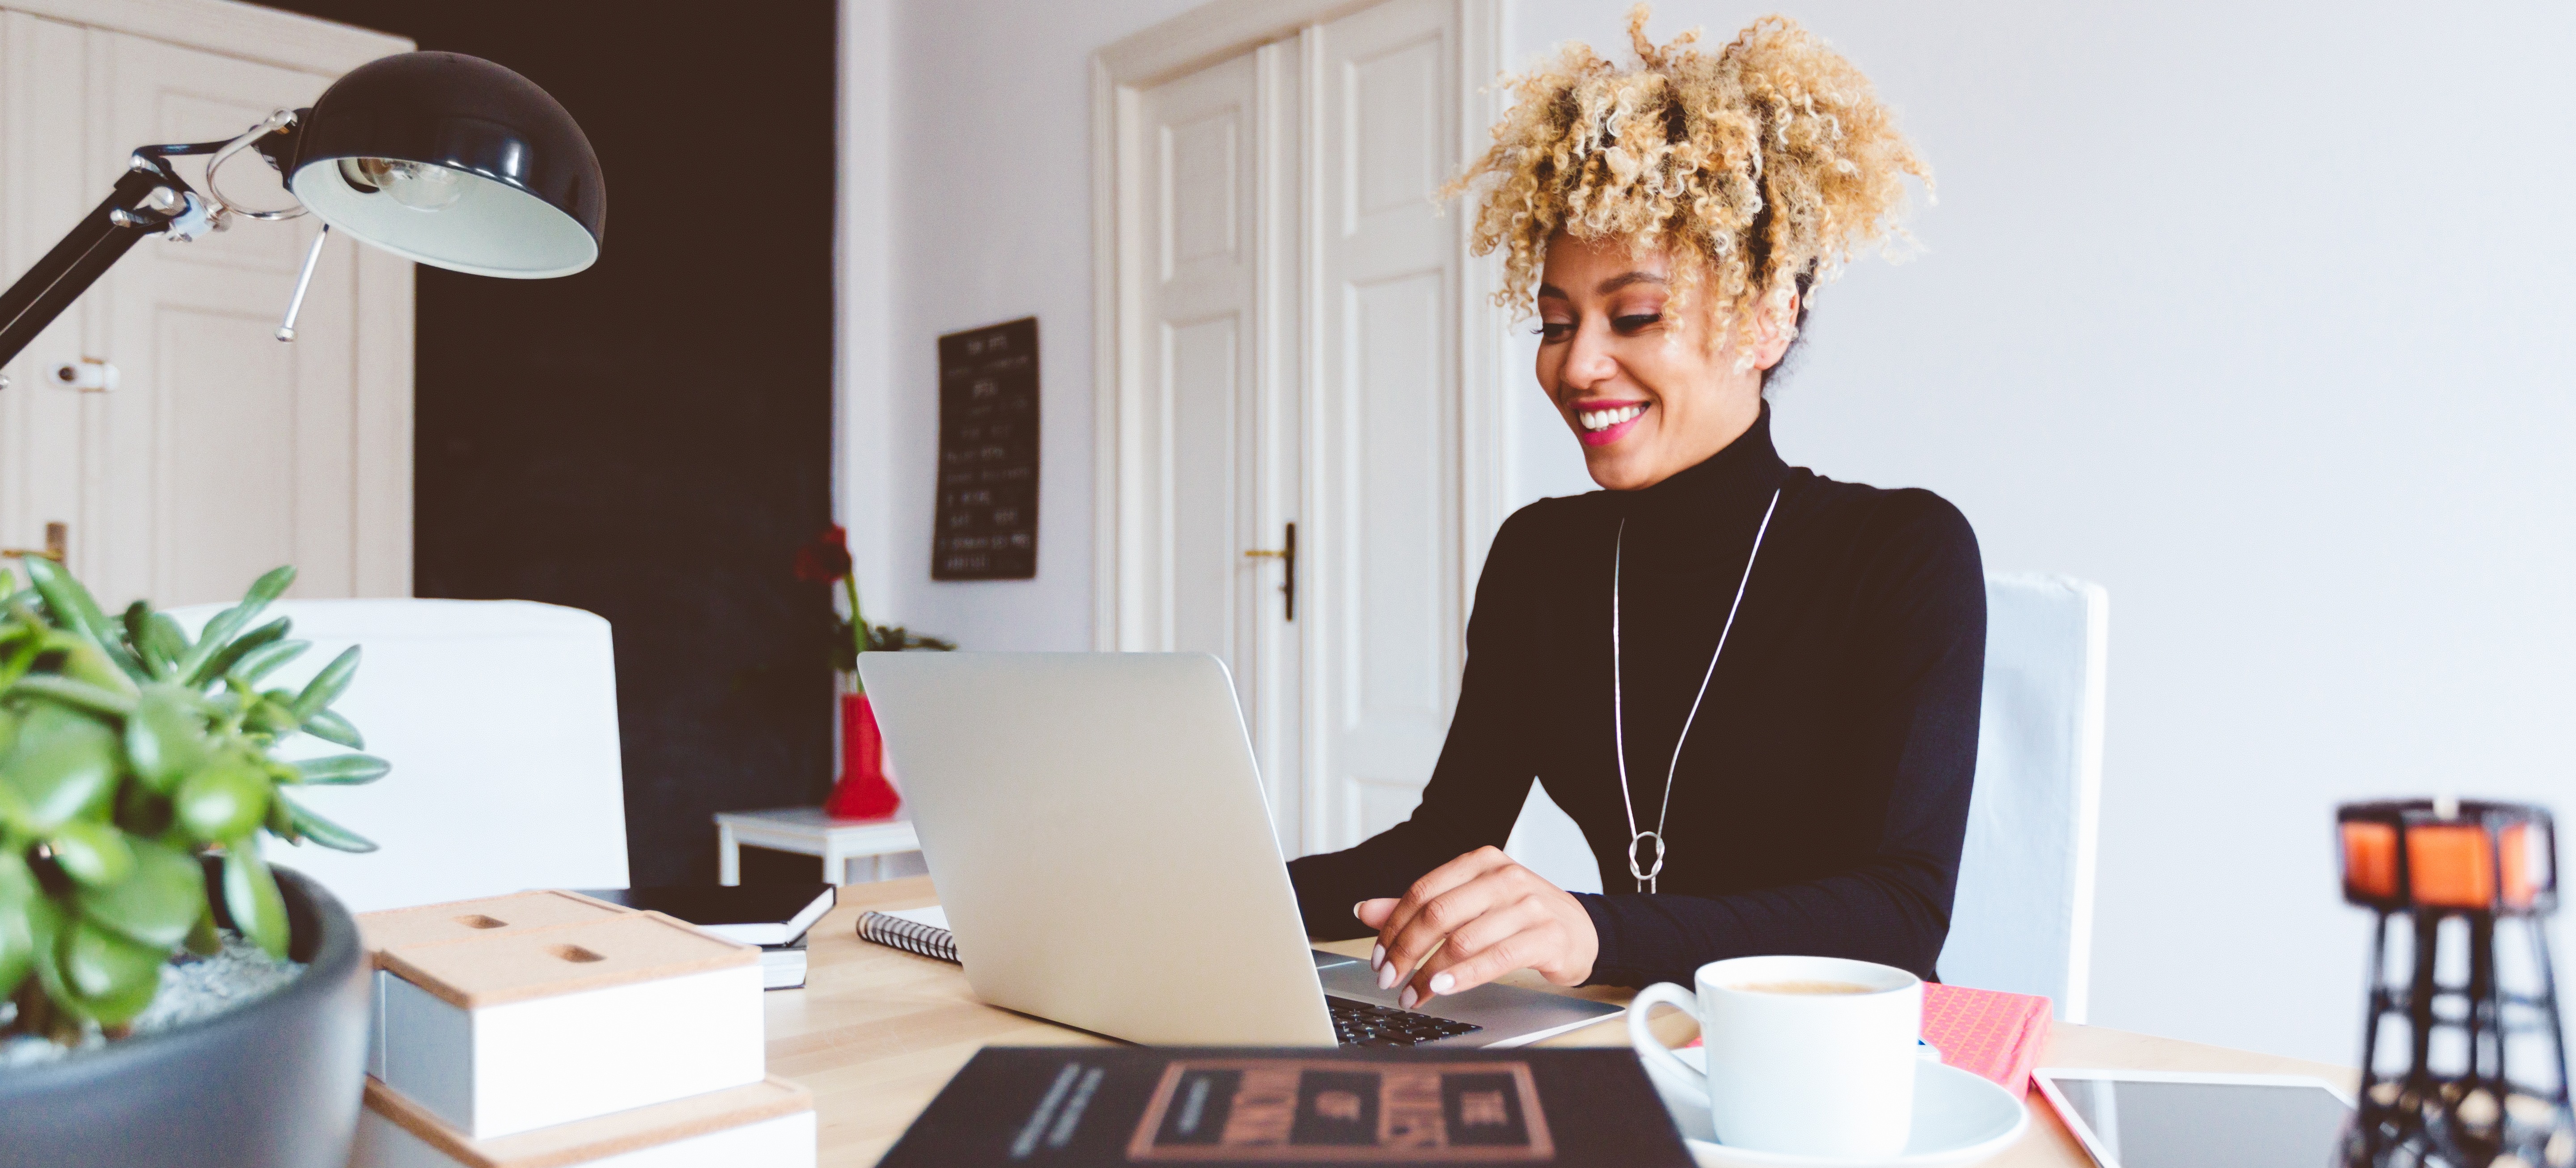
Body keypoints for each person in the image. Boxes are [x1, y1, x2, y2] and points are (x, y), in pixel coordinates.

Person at [1287, 8, 1983, 1012]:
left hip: (1826, 1058)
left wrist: (1593, 928)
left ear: (1766, 317)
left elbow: (1899, 914)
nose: (1577, 365)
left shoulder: (1901, 552)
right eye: (1556, 323)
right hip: (1624, 1029)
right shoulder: (1540, 556)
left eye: (1636, 316)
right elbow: (1441, 843)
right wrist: (1210, 899)